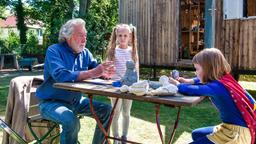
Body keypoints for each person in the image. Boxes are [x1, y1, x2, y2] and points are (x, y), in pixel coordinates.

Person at [36, 18, 115, 144]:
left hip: (76, 101)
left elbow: (95, 69)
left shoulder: (85, 53)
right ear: (68, 36)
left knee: (107, 110)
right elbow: (61, 75)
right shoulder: (54, 50)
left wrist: (105, 73)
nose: (84, 40)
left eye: (85, 36)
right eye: (80, 36)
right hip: (50, 103)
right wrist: (94, 72)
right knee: (71, 120)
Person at [169, 48, 256, 144]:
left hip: (236, 134)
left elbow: (192, 90)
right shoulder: (225, 79)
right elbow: (204, 80)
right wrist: (190, 81)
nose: (195, 72)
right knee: (196, 134)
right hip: (233, 127)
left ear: (208, 69)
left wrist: (178, 85)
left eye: (197, 69)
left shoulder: (216, 87)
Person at [105, 24, 139, 144]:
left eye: (125, 35)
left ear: (129, 36)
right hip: (116, 87)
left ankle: (124, 136)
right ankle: (116, 138)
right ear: (116, 36)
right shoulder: (113, 51)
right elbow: (107, 71)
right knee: (116, 112)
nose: (123, 38)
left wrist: (137, 85)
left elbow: (136, 70)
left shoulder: (133, 51)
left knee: (126, 112)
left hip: (129, 87)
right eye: (120, 35)